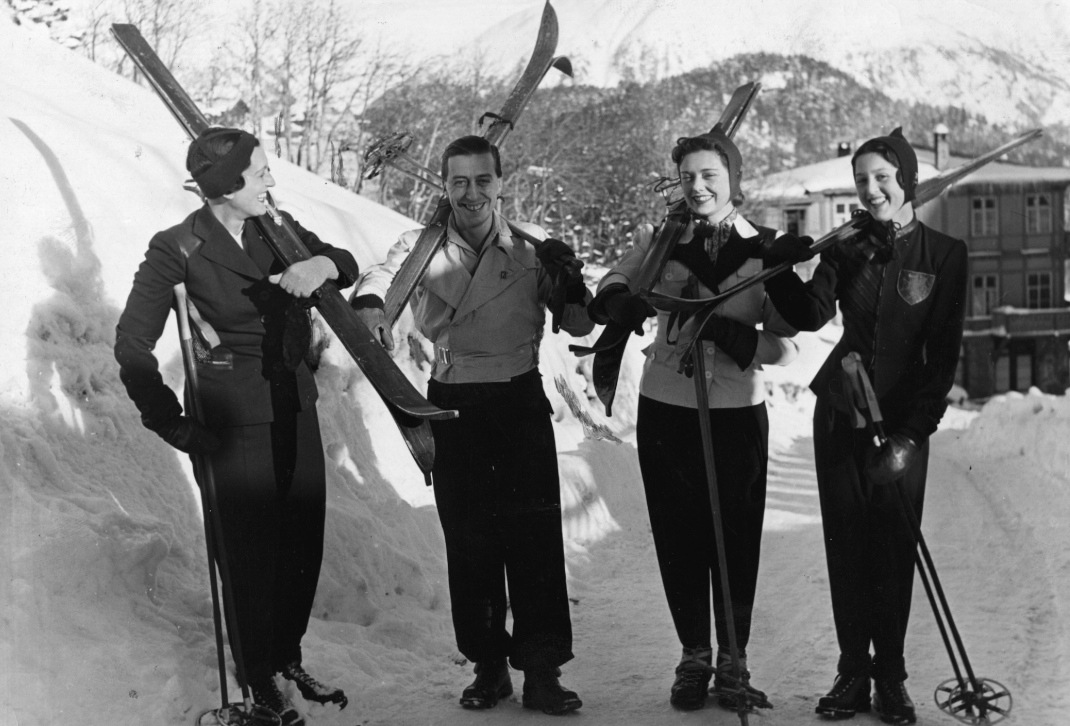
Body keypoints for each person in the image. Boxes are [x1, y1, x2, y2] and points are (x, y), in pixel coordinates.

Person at [114, 127, 359, 726]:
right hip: (231, 420)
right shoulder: (178, 247)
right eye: (260, 172)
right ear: (226, 185)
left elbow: (347, 266)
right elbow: (132, 345)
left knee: (301, 543)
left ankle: (287, 658)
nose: (271, 180)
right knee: (248, 555)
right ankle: (259, 678)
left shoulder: (276, 227)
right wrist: (171, 423)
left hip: (293, 406)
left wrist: (320, 263)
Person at [352, 135, 593, 715]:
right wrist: (369, 306)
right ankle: (488, 666)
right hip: (452, 402)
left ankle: (542, 669)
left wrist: (571, 281)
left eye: (483, 180)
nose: (472, 193)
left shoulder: (532, 249)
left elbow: (578, 323)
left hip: (518, 399)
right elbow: (380, 279)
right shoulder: (420, 246)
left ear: (500, 183)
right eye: (459, 181)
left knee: (534, 539)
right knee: (469, 540)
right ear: (444, 185)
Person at [588, 129, 802, 712]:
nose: (698, 186)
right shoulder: (661, 241)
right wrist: (620, 301)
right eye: (688, 177)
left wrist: (739, 337)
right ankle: (693, 657)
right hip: (667, 406)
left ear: (733, 178)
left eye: (710, 175)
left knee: (736, 538)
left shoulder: (764, 248)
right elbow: (614, 281)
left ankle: (734, 661)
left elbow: (787, 346)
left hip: (735, 410)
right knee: (679, 535)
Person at [761, 128, 968, 725]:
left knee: (894, 548)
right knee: (847, 545)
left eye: (882, 177)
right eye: (861, 180)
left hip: (902, 420)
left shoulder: (943, 254)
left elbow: (942, 357)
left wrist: (912, 434)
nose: (871, 189)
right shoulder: (848, 246)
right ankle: (853, 672)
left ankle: (891, 678)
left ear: (907, 179)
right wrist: (779, 269)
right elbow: (810, 314)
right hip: (842, 410)